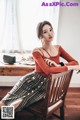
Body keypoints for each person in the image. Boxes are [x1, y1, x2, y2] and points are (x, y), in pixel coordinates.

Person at [0, 20, 80, 112]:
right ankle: (6, 115)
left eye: (51, 30)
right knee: (4, 102)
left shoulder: (59, 48)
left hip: (45, 86)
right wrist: (70, 67)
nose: (50, 34)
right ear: (40, 35)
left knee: (17, 104)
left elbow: (75, 62)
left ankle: (6, 115)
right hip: (30, 81)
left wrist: (59, 65)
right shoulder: (37, 52)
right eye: (45, 32)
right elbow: (47, 70)